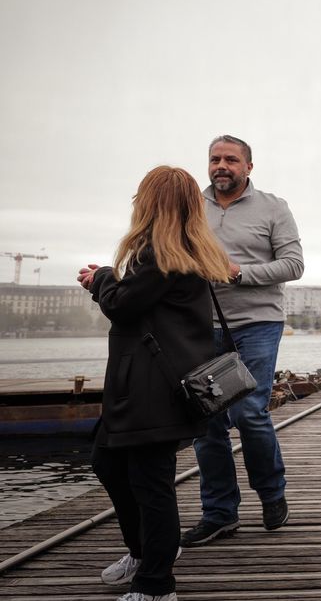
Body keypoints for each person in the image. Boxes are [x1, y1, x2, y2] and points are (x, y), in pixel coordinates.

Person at [78, 166, 232, 601]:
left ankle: (157, 583)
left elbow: (123, 306)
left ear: (151, 203)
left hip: (154, 390)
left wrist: (102, 278)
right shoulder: (173, 253)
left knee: (151, 483)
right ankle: (145, 552)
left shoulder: (163, 256)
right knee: (108, 464)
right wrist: (110, 280)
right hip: (140, 388)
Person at [183, 135, 304, 546]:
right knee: (207, 422)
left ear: (248, 167)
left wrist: (239, 274)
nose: (221, 166)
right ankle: (219, 513)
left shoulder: (273, 207)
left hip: (257, 322)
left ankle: (271, 491)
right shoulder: (189, 207)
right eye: (215, 159)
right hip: (200, 326)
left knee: (250, 412)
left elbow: (294, 264)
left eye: (231, 160)